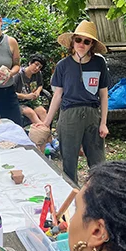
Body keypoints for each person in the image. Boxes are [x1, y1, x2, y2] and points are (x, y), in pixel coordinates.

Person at [42, 21, 109, 187]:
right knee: (69, 160)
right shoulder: (63, 65)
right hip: (69, 114)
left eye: (87, 41)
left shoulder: (99, 63)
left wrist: (103, 123)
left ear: (92, 45)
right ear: (73, 41)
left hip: (92, 113)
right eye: (78, 39)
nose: (82, 44)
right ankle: (72, 193)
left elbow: (103, 94)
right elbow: (57, 95)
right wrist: (46, 122)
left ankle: (99, 191)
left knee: (97, 159)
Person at [14, 54, 48, 125]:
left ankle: (45, 129)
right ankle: (43, 129)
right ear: (30, 63)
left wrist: (37, 92)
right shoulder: (18, 75)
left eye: (40, 67)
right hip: (18, 102)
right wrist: (26, 96)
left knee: (43, 111)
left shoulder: (38, 74)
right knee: (31, 113)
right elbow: (11, 93)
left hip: (32, 101)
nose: (37, 68)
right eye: (36, 64)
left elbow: (40, 85)